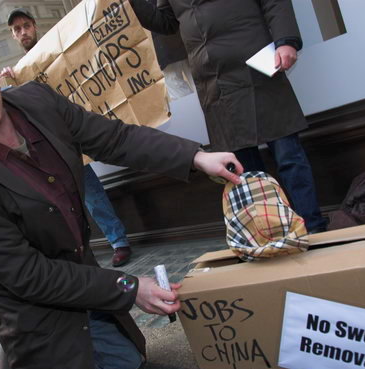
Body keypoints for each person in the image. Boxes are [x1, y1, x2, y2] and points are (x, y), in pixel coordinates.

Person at [0, 12, 241, 369]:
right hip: (34, 307)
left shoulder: (38, 101)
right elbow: (29, 275)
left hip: (82, 281)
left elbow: (114, 138)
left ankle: (50, 360)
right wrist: (128, 287)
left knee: (127, 363)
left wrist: (196, 158)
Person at [129, 0, 328, 233]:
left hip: (256, 69)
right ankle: (269, 234)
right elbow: (165, 22)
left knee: (288, 157)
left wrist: (286, 40)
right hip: (214, 82)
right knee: (244, 173)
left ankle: (313, 226)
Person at [2, 8, 133, 267]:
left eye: (26, 25)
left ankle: (117, 242)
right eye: (17, 29)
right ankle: (100, 249)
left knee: (99, 185)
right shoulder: (17, 73)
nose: (23, 32)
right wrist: (10, 83)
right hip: (55, 142)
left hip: (80, 126)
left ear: (35, 26)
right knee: (77, 197)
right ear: (13, 36)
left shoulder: (56, 49)